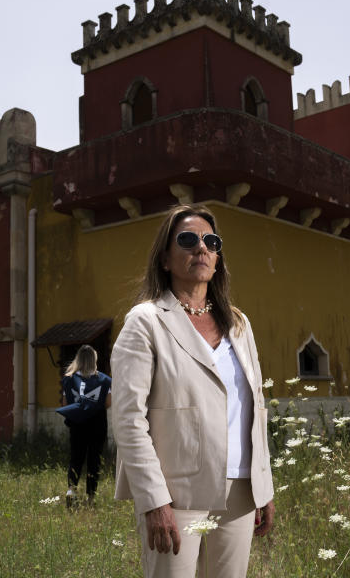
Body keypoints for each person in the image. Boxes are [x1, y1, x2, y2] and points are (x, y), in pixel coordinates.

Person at [112, 204, 275, 578]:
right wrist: (154, 501)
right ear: (166, 259)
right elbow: (128, 420)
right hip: (176, 492)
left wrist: (263, 486)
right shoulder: (146, 322)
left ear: (217, 259)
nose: (201, 248)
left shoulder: (238, 323)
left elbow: (255, 407)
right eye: (187, 240)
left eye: (211, 242)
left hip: (240, 487)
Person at [59, 344, 112, 506]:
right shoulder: (104, 380)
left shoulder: (69, 379)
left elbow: (65, 402)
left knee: (76, 457)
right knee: (94, 460)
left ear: (78, 360)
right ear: (94, 360)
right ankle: (90, 498)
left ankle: (71, 490)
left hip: (77, 424)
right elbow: (108, 403)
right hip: (97, 424)